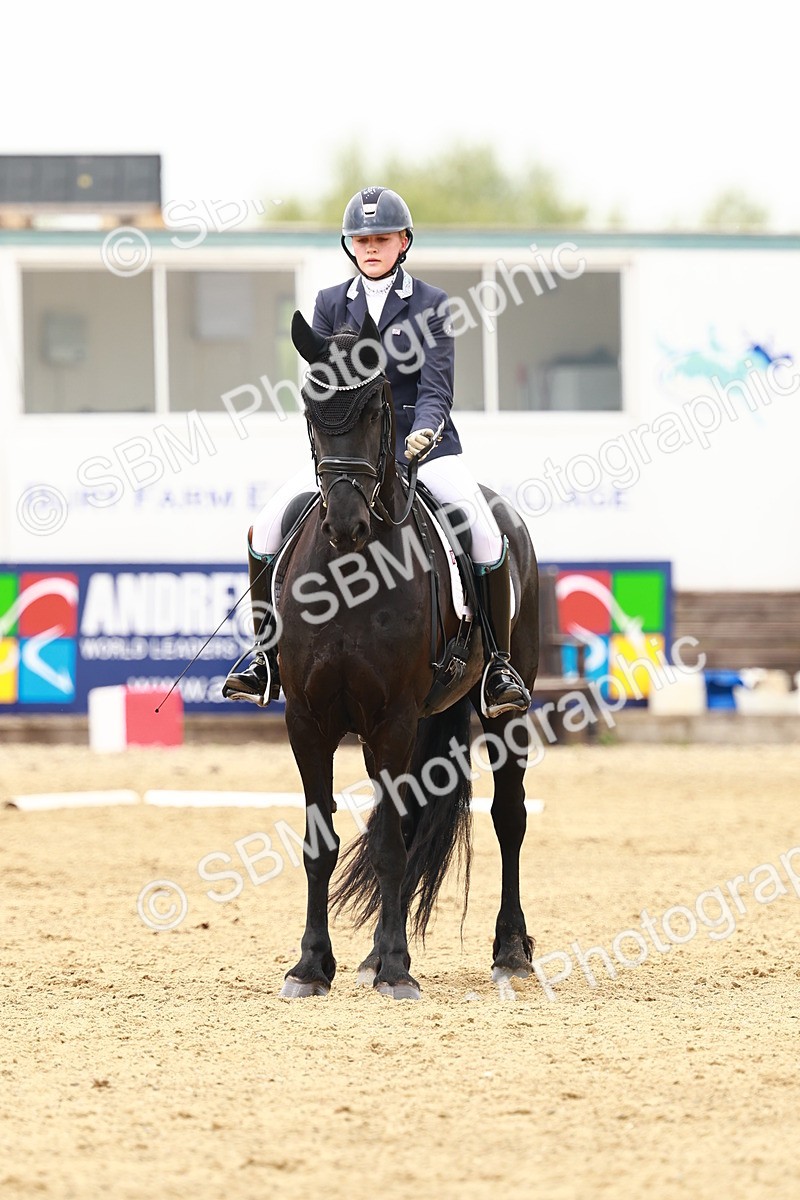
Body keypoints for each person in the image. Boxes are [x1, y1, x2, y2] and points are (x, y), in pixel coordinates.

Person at [222, 186, 531, 718]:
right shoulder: (328, 305)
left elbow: (436, 387)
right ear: (349, 245)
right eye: (361, 239)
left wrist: (427, 431)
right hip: (351, 453)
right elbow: (325, 388)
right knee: (266, 526)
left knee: (485, 533)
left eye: (381, 238)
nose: (371, 247)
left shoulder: (431, 304)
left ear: (403, 242)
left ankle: (498, 666)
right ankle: (265, 656)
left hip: (424, 447)